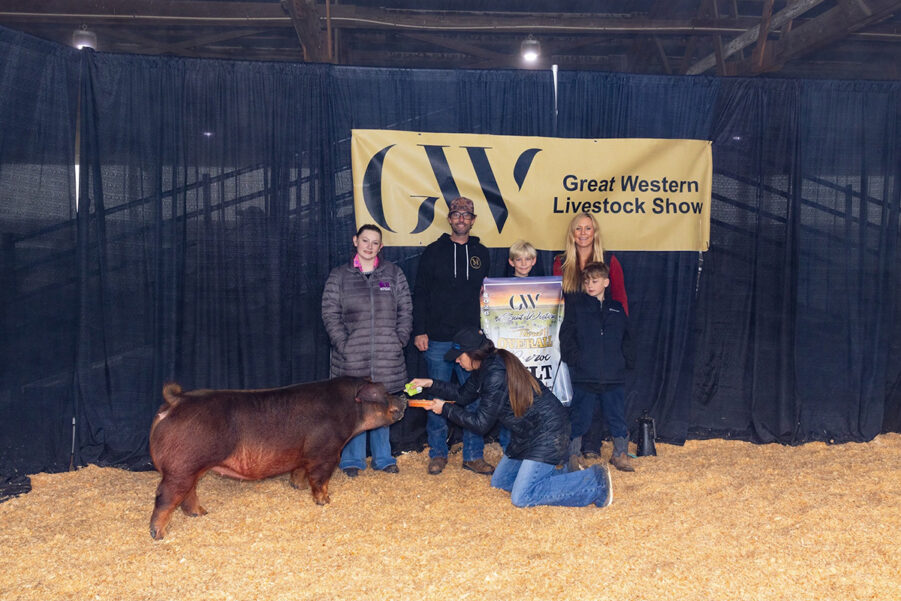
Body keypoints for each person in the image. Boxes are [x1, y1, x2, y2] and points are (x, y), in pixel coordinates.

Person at [408, 327, 612, 508]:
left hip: (548, 432)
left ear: (472, 353)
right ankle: (568, 473)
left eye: (459, 357)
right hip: (526, 433)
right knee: (501, 482)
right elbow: (462, 395)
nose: (457, 361)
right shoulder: (485, 367)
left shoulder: (494, 373)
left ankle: (594, 482)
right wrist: (430, 384)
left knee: (522, 497)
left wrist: (444, 409)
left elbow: (481, 424)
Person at [321, 224, 412, 477]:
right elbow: (330, 313)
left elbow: (405, 310)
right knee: (354, 407)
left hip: (387, 355)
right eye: (365, 241)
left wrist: (399, 339)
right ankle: (352, 460)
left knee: (382, 404)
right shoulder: (339, 276)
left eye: (375, 243)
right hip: (351, 358)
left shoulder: (394, 274)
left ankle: (383, 458)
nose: (369, 246)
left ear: (380, 247)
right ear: (355, 241)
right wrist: (344, 345)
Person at [412, 197, 493, 476]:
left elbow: (488, 296)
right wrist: (420, 330)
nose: (461, 219)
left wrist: (486, 331)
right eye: (456, 214)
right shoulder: (434, 251)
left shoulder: (482, 252)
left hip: (470, 342)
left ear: (473, 220)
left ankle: (473, 455)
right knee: (436, 393)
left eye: (466, 215)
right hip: (437, 337)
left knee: (473, 399)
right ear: (449, 218)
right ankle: (437, 453)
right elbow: (420, 293)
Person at [553, 212, 629, 458]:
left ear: (594, 233)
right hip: (574, 339)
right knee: (579, 398)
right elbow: (555, 302)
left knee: (604, 398)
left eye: (588, 228)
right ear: (572, 233)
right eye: (578, 229)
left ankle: (593, 447)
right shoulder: (561, 263)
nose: (583, 233)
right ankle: (572, 450)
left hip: (603, 340)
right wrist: (568, 348)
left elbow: (620, 300)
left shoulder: (610, 261)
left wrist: (619, 340)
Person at [559, 262, 636, 472]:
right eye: (587, 281)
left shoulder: (617, 309)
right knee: (579, 416)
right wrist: (576, 359)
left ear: (606, 282)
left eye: (595, 281)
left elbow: (627, 338)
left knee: (616, 415)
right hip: (585, 375)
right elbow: (566, 337)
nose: (590, 285)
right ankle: (573, 455)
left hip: (613, 375)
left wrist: (626, 361)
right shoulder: (576, 307)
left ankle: (620, 454)